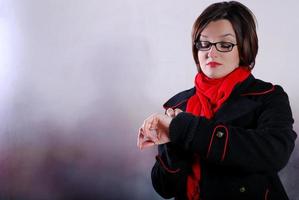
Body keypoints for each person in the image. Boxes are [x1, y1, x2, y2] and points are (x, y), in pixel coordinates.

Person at [137, 1, 297, 200]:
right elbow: (165, 188)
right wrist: (172, 144)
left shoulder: (269, 96)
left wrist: (187, 129)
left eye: (224, 44)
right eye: (204, 43)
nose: (211, 52)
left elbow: (275, 153)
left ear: (244, 47)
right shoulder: (178, 106)